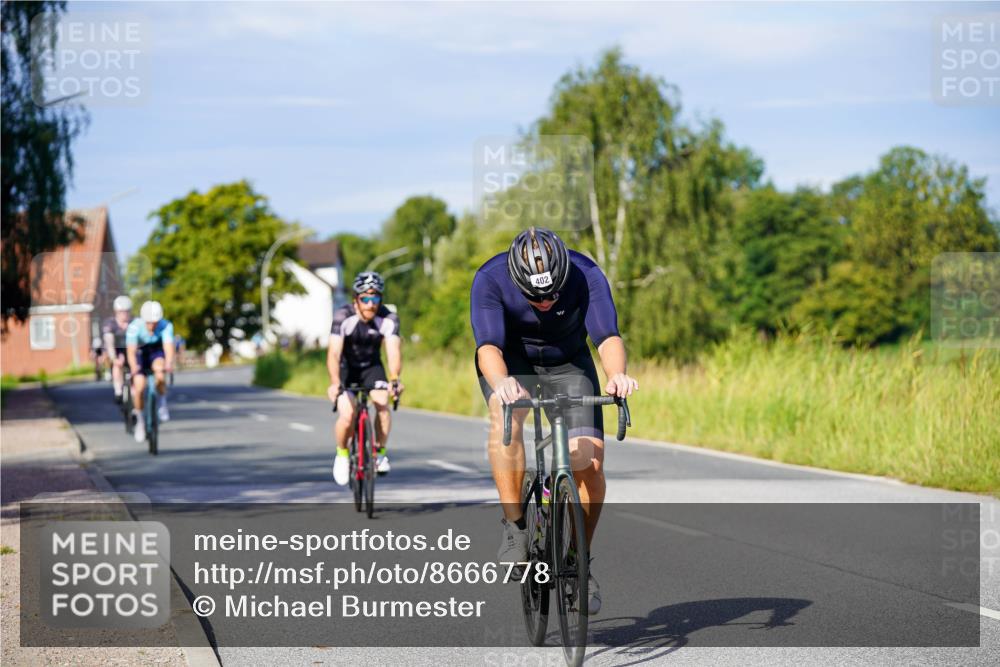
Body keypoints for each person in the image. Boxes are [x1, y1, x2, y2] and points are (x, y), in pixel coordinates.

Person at [470, 227, 638, 616]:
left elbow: (607, 336)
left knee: (591, 464)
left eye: (552, 294)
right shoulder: (490, 278)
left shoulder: (586, 273)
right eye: (535, 296)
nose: (544, 302)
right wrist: (502, 384)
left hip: (567, 362)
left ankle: (580, 561)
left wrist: (616, 374)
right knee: (504, 418)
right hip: (512, 363)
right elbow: (488, 347)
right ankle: (516, 527)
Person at [326, 271, 403, 485]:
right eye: (365, 298)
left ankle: (379, 454)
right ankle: (342, 455)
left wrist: (395, 379)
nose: (371, 304)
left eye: (375, 298)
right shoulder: (343, 316)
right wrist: (334, 383)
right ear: (355, 299)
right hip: (346, 368)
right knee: (348, 414)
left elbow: (394, 351)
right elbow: (333, 353)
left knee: (382, 405)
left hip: (372, 367)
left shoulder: (388, 318)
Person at [126, 300, 175, 443]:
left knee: (160, 373)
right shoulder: (134, 327)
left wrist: (169, 363)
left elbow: (168, 347)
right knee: (139, 387)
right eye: (148, 322)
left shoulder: (166, 325)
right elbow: (131, 351)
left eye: (155, 322)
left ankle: (162, 403)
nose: (152, 326)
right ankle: (140, 422)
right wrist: (134, 366)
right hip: (140, 353)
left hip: (156, 352)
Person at [103, 295, 133, 400]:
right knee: (117, 365)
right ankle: (118, 391)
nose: (124, 315)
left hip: (130, 349)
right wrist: (114, 358)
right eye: (121, 312)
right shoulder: (110, 324)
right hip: (116, 349)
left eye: (127, 312)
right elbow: (109, 344)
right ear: (116, 312)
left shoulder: (134, 323)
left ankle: (134, 391)